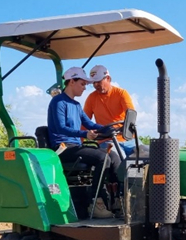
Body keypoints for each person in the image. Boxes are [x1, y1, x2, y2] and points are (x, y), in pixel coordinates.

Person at [47, 67, 120, 218]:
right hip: (63, 148)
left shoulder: (76, 105)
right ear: (71, 82)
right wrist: (84, 134)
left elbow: (90, 124)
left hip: (76, 147)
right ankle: (96, 201)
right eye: (82, 84)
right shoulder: (58, 102)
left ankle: (117, 199)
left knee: (113, 156)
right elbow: (61, 128)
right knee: (102, 158)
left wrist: (111, 128)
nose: (85, 87)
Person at [84, 65, 137, 158]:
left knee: (147, 154)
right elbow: (84, 121)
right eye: (93, 82)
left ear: (108, 78)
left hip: (128, 139)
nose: (96, 85)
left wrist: (123, 129)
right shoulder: (91, 98)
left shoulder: (121, 93)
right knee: (120, 159)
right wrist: (78, 141)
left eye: (98, 81)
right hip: (107, 140)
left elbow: (131, 115)